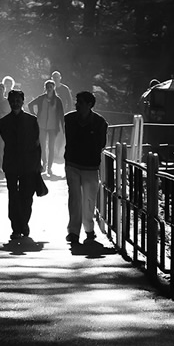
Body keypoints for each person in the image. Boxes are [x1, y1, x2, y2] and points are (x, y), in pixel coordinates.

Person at [64, 90, 108, 245]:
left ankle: (89, 228)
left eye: (80, 102)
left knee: (89, 199)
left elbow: (101, 143)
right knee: (74, 198)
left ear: (89, 105)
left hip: (90, 166)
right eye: (77, 101)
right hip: (73, 164)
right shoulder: (68, 119)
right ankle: (73, 232)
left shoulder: (100, 122)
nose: (77, 105)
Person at [0, 89, 42, 241]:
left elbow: (37, 143)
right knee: (13, 195)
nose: (15, 103)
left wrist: (38, 163)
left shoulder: (32, 120)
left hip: (29, 164)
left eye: (18, 100)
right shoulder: (3, 122)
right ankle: (16, 226)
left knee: (26, 195)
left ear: (23, 102)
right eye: (12, 101)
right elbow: (8, 141)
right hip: (11, 163)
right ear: (9, 102)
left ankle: (23, 222)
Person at [28, 79, 65, 176]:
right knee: (42, 146)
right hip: (42, 125)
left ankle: (50, 167)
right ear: (45, 88)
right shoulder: (41, 98)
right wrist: (34, 115)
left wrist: (62, 127)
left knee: (51, 147)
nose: (49, 89)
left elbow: (61, 114)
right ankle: (44, 164)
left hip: (53, 126)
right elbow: (30, 104)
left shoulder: (57, 100)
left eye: (51, 87)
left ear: (54, 88)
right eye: (47, 87)